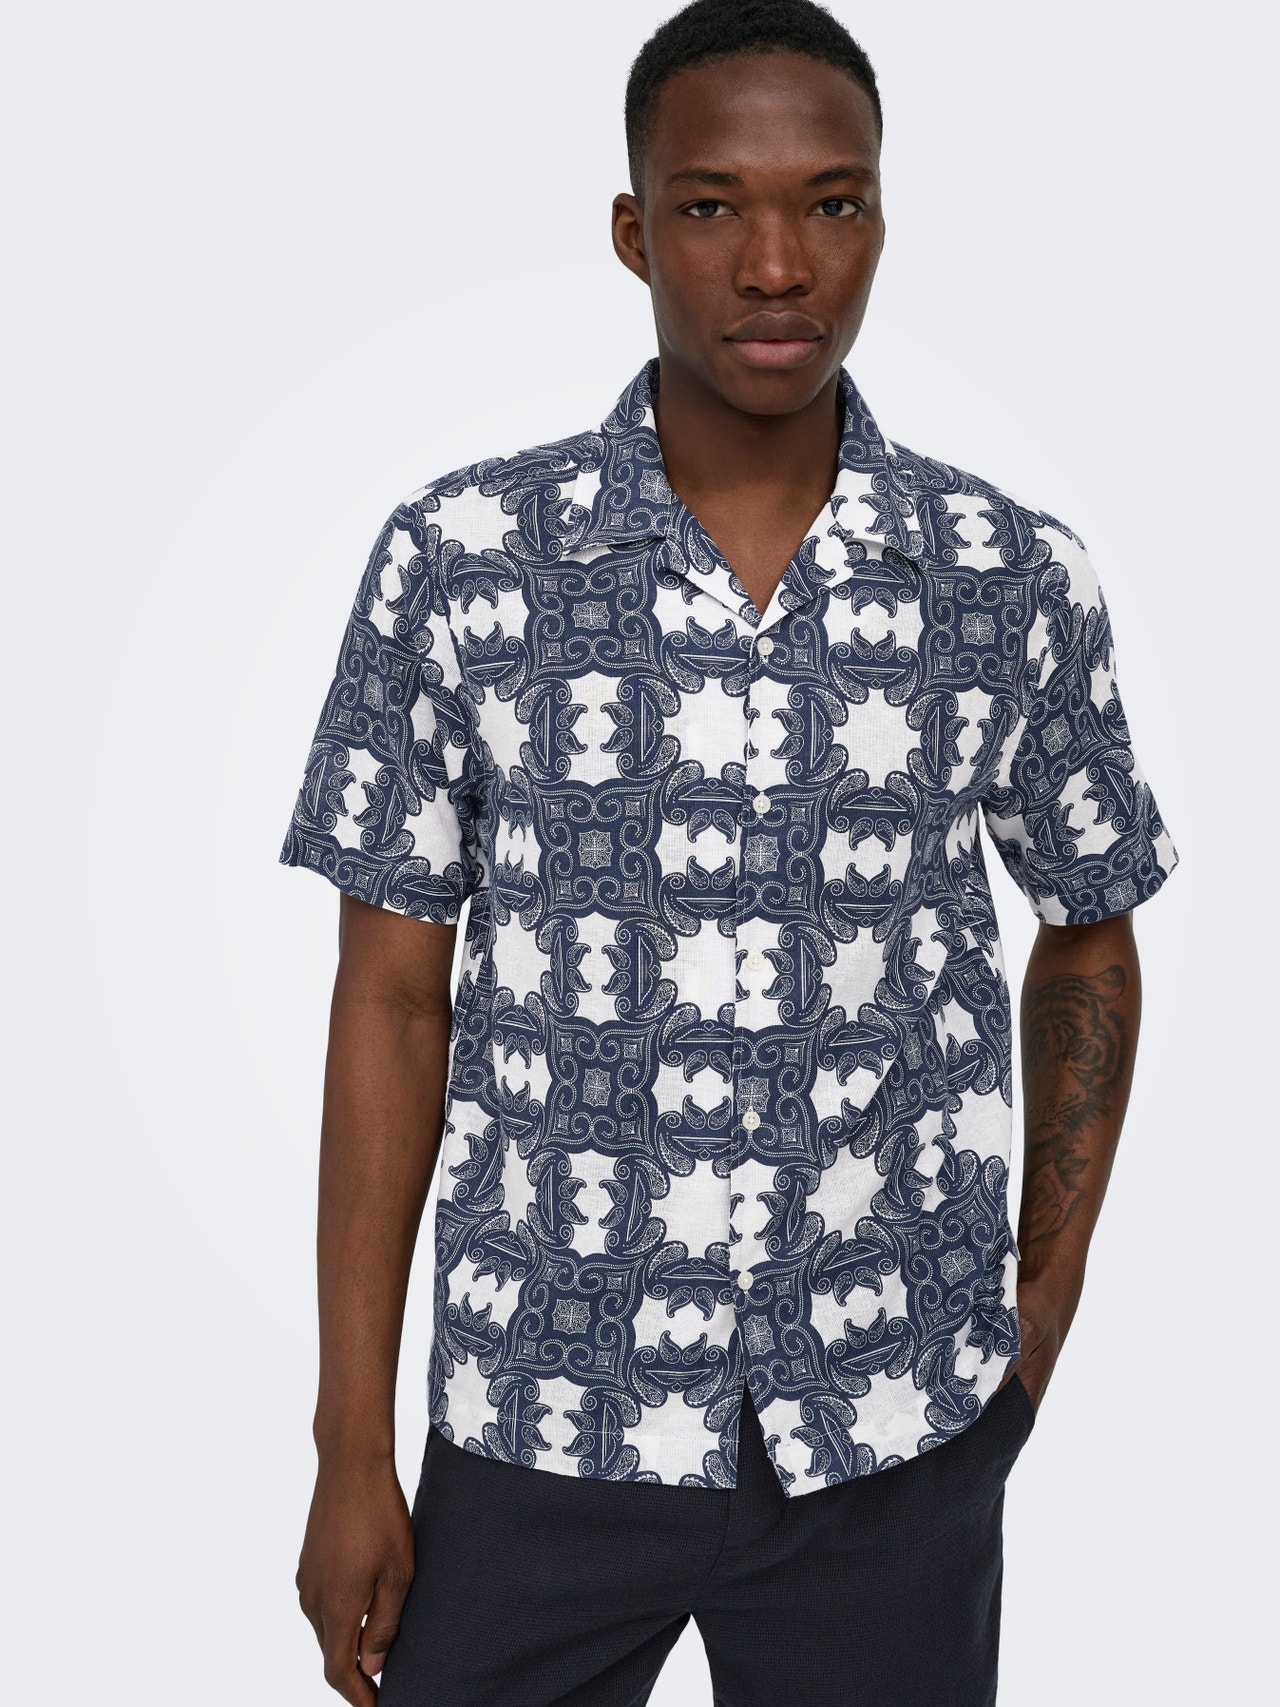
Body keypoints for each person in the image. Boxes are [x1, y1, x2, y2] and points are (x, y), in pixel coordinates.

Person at [281, 2, 1178, 1702]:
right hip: (546, 1414)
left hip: (893, 1425)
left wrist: (1038, 1310)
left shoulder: (1007, 577)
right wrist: (349, 1448)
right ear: (634, 232)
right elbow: (389, 1002)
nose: (778, 265)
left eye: (832, 203)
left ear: (882, 223)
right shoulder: (466, 564)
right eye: (712, 206)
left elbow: (1092, 922)